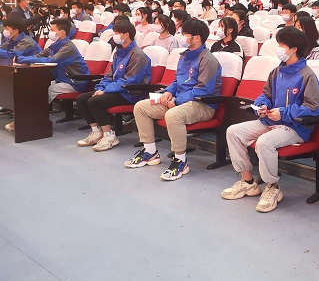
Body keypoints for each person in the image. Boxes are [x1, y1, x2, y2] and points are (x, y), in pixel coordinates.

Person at [221, 27, 319, 212]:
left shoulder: (307, 75)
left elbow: (313, 108)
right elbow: (266, 94)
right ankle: (248, 182)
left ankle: (272, 187)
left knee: (264, 143)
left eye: (281, 45)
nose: (278, 48)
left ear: (294, 49)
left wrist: (283, 113)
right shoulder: (277, 71)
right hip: (270, 121)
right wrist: (262, 105)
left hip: (294, 128)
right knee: (233, 132)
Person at [128, 20, 222, 180]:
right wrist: (168, 92)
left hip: (202, 104)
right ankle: (150, 151)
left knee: (173, 115)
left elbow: (203, 89)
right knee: (141, 107)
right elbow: (177, 81)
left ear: (197, 38)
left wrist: (177, 101)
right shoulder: (184, 56)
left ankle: (180, 160)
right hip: (179, 100)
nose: (181, 36)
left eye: (185, 34)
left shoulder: (208, 60)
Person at [75, 21, 151, 151]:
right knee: (81, 99)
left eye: (117, 33)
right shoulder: (118, 52)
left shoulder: (138, 55)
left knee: (95, 101)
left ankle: (110, 136)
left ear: (126, 35)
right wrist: (100, 88)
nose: (114, 36)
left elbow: (129, 80)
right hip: (116, 90)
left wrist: (106, 91)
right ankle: (96, 132)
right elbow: (109, 76)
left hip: (130, 93)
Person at [16, 18, 89, 102]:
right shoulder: (55, 45)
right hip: (62, 80)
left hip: (75, 82)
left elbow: (51, 60)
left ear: (62, 32)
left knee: (46, 89)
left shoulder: (68, 47)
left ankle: (39, 110)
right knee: (37, 85)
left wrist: (23, 59)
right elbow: (39, 55)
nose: (50, 32)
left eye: (52, 30)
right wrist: (24, 60)